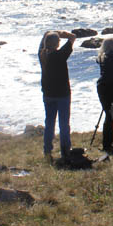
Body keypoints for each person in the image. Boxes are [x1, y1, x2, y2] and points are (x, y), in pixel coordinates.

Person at [38, 30, 76, 161]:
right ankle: (65, 151)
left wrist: (54, 34)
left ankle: (47, 151)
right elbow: (73, 37)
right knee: (64, 124)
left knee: (49, 122)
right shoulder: (60, 55)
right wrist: (61, 33)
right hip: (62, 94)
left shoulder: (42, 55)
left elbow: (45, 35)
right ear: (57, 43)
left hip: (48, 93)